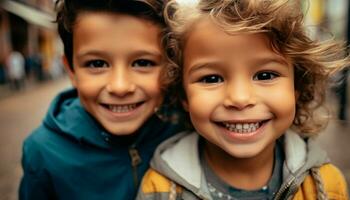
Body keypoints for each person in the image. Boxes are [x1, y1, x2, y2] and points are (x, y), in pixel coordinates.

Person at [137, 0, 349, 199]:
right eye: (211, 78)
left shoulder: (326, 186)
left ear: (297, 88)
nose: (239, 98)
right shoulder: (161, 189)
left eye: (265, 76)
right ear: (184, 95)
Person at [19, 0, 184, 199]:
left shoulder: (186, 128)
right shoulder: (43, 152)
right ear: (71, 70)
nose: (120, 87)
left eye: (143, 62)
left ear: (171, 67)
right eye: (97, 63)